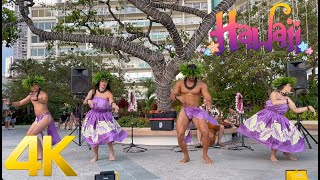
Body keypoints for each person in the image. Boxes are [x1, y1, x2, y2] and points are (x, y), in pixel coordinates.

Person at [237, 77, 316, 162]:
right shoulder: (274, 93)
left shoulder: (288, 99)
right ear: (284, 86)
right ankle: (273, 155)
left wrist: (308, 107)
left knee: (290, 134)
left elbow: (296, 110)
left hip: (280, 118)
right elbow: (274, 102)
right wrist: (286, 101)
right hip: (268, 116)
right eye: (289, 86)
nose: (291, 88)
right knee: (275, 135)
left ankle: (286, 152)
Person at [3, 76, 61, 159]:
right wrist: (10, 103)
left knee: (32, 134)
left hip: (46, 116)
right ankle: (40, 152)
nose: (33, 87)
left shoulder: (43, 94)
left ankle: (40, 154)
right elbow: (19, 103)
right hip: (38, 118)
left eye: (34, 85)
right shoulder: (30, 95)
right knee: (28, 136)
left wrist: (37, 99)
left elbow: (44, 101)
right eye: (31, 85)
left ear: (39, 85)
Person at [170, 63, 218, 164]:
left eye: (193, 75)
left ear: (196, 74)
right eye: (190, 75)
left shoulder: (201, 84)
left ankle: (205, 155)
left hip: (197, 110)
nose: (192, 77)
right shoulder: (179, 83)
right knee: (180, 134)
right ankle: (186, 156)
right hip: (185, 110)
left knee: (205, 132)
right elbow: (172, 95)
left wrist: (208, 101)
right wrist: (178, 97)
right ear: (186, 73)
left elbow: (208, 97)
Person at [82, 71, 128, 162]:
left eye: (106, 82)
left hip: (104, 116)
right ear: (99, 81)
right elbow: (84, 102)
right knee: (93, 135)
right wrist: (88, 101)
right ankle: (95, 155)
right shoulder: (92, 91)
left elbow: (111, 101)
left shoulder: (108, 93)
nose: (104, 83)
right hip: (93, 116)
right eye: (103, 81)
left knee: (108, 134)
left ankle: (111, 153)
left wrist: (114, 105)